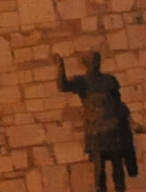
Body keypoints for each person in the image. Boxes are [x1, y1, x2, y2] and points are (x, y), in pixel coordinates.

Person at [56, 52, 138, 192]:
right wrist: (60, 66)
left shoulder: (110, 80)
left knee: (118, 167)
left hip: (114, 127)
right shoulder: (82, 81)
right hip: (95, 130)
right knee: (99, 168)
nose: (94, 64)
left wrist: (130, 120)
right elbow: (63, 86)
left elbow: (118, 102)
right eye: (92, 61)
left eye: (96, 61)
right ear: (86, 64)